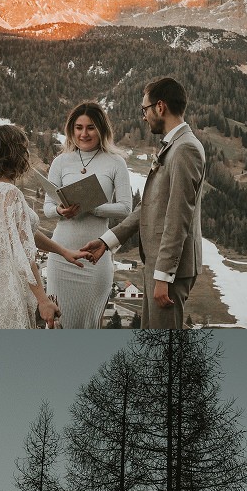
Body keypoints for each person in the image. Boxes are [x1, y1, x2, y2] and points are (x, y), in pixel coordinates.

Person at [83, 79, 205, 332]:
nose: (144, 116)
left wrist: (163, 275)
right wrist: (107, 241)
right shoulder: (174, 146)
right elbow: (150, 206)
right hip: (158, 267)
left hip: (168, 270)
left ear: (160, 107)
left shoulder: (185, 149)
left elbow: (178, 216)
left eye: (145, 109)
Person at [0, 124, 88, 328]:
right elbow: (23, 254)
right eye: (24, 149)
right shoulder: (9, 193)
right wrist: (43, 300)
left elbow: (22, 233)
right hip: (8, 290)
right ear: (15, 153)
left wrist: (63, 252)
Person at [44, 102, 133, 329]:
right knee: (57, 324)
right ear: (71, 130)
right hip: (61, 255)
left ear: (101, 129)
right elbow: (47, 208)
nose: (84, 134)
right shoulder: (61, 162)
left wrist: (92, 208)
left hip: (96, 257)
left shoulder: (115, 162)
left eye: (91, 127)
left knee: (89, 324)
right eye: (78, 127)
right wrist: (60, 210)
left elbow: (125, 208)